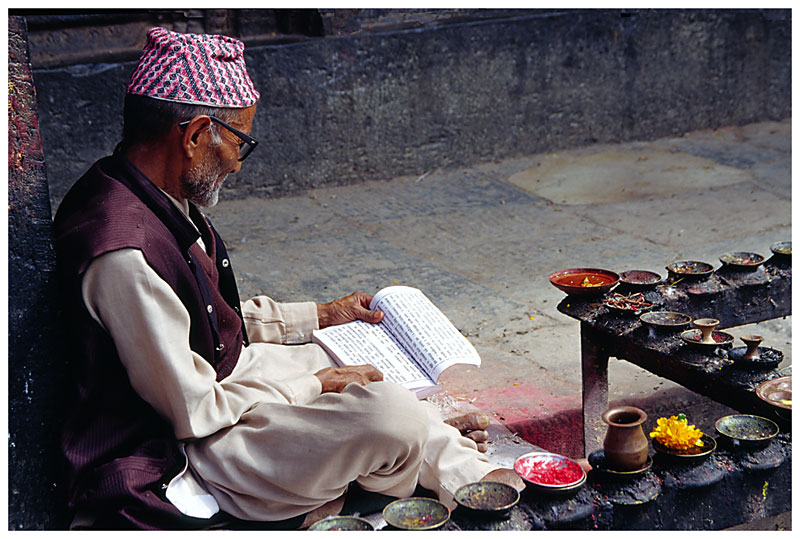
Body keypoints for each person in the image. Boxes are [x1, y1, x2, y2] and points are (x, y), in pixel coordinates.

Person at [52, 26, 522, 530]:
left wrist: (320, 316)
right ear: (192, 136)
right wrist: (313, 387)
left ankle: (459, 471)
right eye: (239, 143)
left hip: (218, 388)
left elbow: (202, 320)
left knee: (356, 362)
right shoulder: (124, 254)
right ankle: (396, 465)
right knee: (388, 415)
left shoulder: (150, 191)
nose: (237, 163)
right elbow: (196, 410)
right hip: (184, 447)